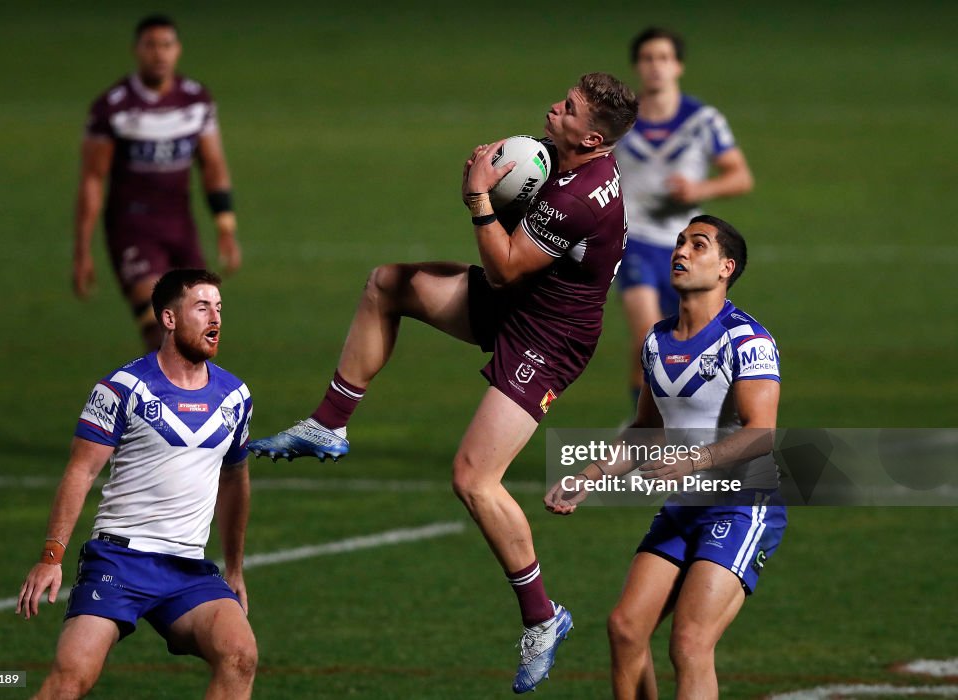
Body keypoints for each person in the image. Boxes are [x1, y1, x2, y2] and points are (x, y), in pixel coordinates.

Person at [249, 73, 638, 693]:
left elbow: (505, 267)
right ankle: (329, 423)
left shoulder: (579, 196)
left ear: (592, 137)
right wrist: (506, 188)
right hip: (527, 300)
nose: (553, 107)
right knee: (387, 284)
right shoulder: (568, 169)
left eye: (567, 108)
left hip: (549, 338)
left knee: (473, 478)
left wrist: (481, 198)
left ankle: (543, 617)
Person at [545, 215, 786, 699]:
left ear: (725, 268)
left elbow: (762, 433)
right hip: (687, 504)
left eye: (699, 246)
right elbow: (646, 430)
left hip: (742, 505)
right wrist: (589, 476)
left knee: (691, 643)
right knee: (625, 628)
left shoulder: (746, 339)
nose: (682, 252)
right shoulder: (656, 341)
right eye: (680, 243)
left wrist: (695, 461)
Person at [17, 269, 256, 699]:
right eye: (202, 308)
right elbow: (81, 471)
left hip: (188, 570)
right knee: (71, 680)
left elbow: (235, 479)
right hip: (119, 562)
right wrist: (51, 557)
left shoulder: (235, 397)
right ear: (168, 319)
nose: (215, 319)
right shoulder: (122, 388)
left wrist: (234, 568)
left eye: (219, 308)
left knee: (240, 655)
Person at [72, 15, 242, 349]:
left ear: (177, 50)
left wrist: (225, 225)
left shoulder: (196, 102)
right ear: (136, 50)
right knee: (159, 328)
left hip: (180, 226)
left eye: (166, 45)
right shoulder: (114, 108)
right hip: (132, 227)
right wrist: (82, 249)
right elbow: (93, 179)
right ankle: (159, 401)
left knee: (200, 332)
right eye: (150, 46)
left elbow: (213, 166)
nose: (159, 54)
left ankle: (192, 402)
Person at [615, 27, 753, 409]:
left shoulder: (702, 121)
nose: (655, 67)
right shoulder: (620, 121)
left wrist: (698, 191)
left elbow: (740, 176)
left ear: (678, 66)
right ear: (637, 67)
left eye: (663, 58)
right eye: (647, 59)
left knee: (683, 343)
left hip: (685, 247)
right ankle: (644, 429)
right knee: (646, 336)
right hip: (633, 242)